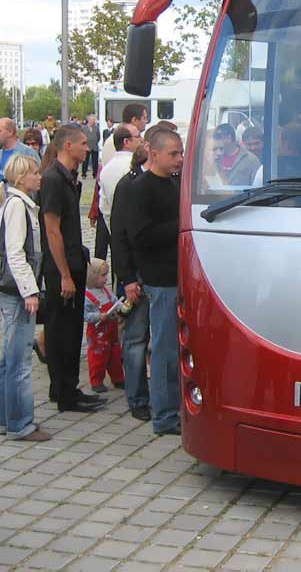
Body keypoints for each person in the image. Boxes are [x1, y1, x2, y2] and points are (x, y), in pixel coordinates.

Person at [40, 125, 103, 413]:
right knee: (61, 331)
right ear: (67, 146)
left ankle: (67, 388)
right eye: (82, 144)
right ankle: (64, 393)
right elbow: (52, 230)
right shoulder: (53, 179)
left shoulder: (69, 177)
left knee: (72, 329)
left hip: (74, 262)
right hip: (60, 268)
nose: (87, 149)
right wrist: (64, 274)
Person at [129, 128, 183, 435]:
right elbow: (140, 236)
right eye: (173, 154)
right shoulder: (141, 188)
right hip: (160, 281)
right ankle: (164, 416)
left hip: (177, 276)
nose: (179, 159)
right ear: (155, 153)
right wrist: (181, 225)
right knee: (163, 352)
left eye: (180, 153)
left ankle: (174, 408)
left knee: (175, 350)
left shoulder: (175, 182)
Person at [0, 153, 51, 441]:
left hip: (12, 290)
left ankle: (6, 418)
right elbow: (16, 254)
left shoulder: (14, 203)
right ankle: (20, 423)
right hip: (18, 291)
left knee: (9, 358)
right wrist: (30, 290)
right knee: (18, 361)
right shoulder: (18, 205)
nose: (39, 177)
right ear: (21, 178)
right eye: (35, 173)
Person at [110, 134, 156, 422]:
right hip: (136, 275)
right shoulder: (128, 187)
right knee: (136, 338)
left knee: (156, 338)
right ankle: (137, 398)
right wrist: (127, 278)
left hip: (159, 273)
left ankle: (160, 395)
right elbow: (120, 236)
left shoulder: (168, 182)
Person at [83, 258, 125, 393]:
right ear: (92, 276)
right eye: (103, 275)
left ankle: (118, 378)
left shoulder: (106, 291)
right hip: (98, 334)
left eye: (107, 275)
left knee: (115, 356)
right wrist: (98, 316)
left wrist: (122, 307)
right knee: (97, 358)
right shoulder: (87, 296)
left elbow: (114, 302)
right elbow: (85, 315)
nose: (106, 278)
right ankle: (96, 381)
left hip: (112, 331)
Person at [0, 119, 39, 233]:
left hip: (22, 211)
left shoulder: (27, 153)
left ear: (10, 132)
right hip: (3, 212)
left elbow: (38, 181)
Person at [98, 125, 141, 231]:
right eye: (138, 136)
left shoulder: (106, 170)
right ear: (126, 142)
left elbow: (104, 207)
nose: (141, 140)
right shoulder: (135, 166)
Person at [81, 114, 101, 179]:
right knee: (85, 161)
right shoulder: (83, 128)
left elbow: (98, 137)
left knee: (95, 161)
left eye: (94, 120)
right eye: (92, 120)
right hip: (86, 147)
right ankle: (84, 174)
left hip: (94, 147)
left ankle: (95, 174)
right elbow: (82, 137)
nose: (94, 121)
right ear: (89, 120)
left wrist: (94, 142)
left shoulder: (96, 128)